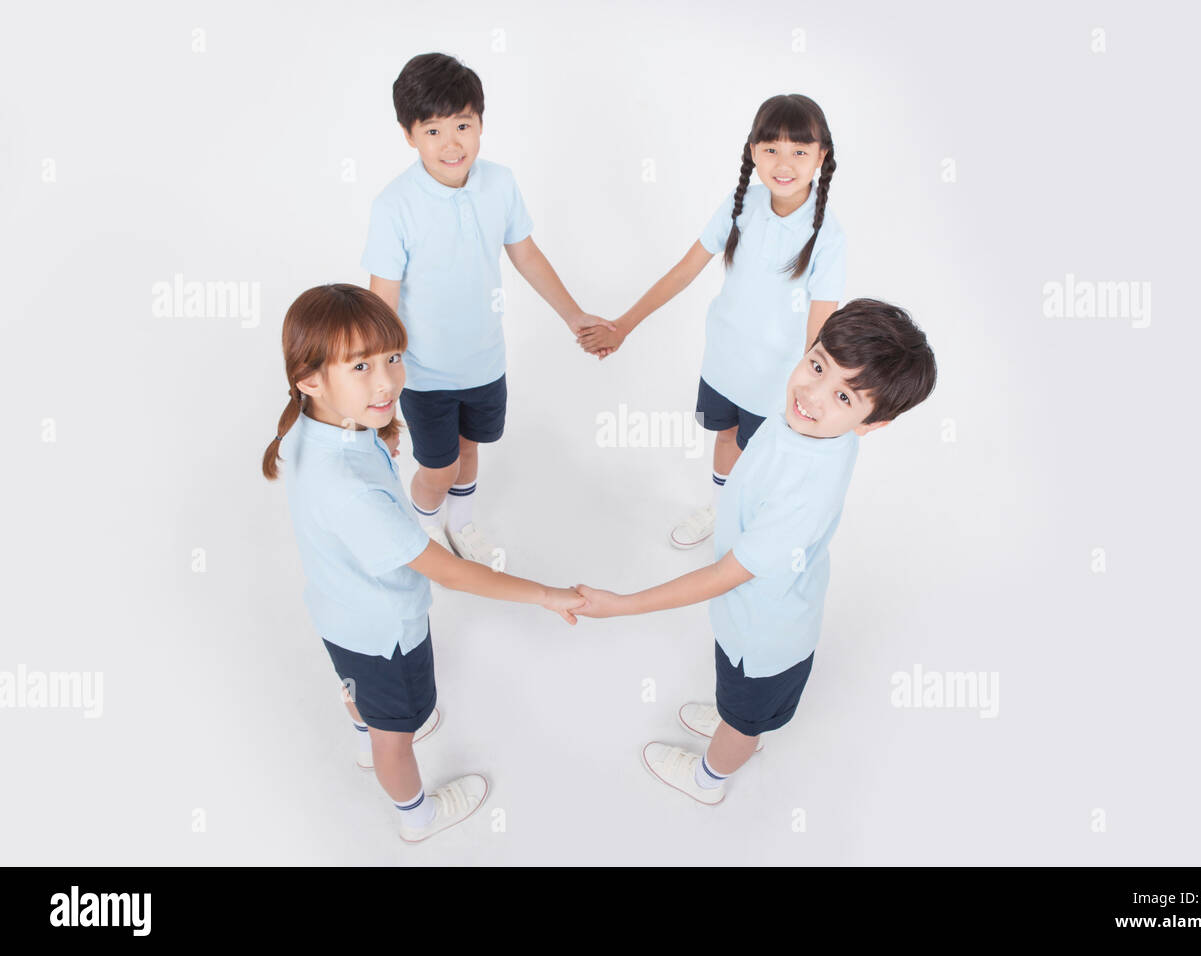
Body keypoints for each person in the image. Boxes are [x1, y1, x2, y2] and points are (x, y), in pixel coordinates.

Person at [575, 299, 937, 805]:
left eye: (843, 396)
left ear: (872, 424)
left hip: (766, 635)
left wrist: (622, 605)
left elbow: (728, 573)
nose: (811, 394)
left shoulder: (805, 491)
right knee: (737, 695)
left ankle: (711, 776)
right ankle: (736, 717)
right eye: (816, 365)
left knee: (745, 717)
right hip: (753, 616)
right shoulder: (814, 426)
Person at [263, 283, 586, 841]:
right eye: (360, 366)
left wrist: (375, 437)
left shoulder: (311, 427)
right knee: (399, 736)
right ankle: (416, 815)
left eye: (391, 357)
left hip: (336, 613)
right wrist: (545, 594)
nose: (386, 379)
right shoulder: (350, 492)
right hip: (386, 633)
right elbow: (451, 571)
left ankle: (368, 730)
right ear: (310, 379)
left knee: (359, 692)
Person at [362, 52, 615, 566]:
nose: (451, 143)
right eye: (432, 130)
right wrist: (378, 387)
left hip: (483, 362)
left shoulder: (499, 183)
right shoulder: (394, 206)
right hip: (425, 372)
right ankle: (425, 527)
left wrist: (573, 315)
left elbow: (525, 253)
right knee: (438, 466)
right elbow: (380, 305)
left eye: (463, 125)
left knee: (471, 451)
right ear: (409, 136)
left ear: (480, 123)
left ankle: (461, 522)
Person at [580, 94, 846, 550]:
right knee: (726, 439)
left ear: (821, 156)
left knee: (765, 459)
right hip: (725, 361)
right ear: (752, 151)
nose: (784, 163)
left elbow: (820, 330)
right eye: (770, 149)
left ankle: (751, 530)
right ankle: (723, 515)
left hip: (779, 380)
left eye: (800, 151)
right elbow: (685, 270)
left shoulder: (828, 236)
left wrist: (815, 393)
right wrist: (623, 325)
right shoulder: (741, 202)